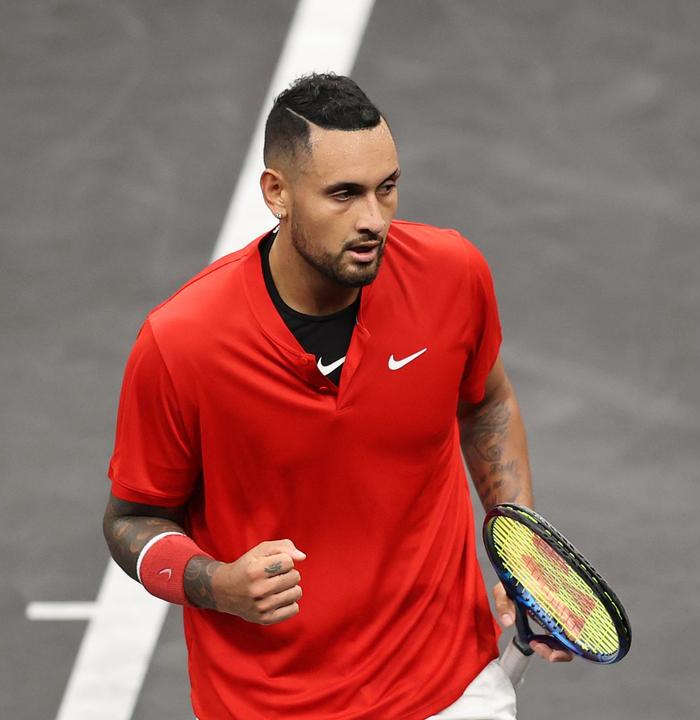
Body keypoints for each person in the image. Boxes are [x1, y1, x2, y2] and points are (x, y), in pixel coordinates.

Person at [102, 72, 571, 720]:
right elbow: (131, 519)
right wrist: (216, 584)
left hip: (447, 684)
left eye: (387, 189)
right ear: (277, 192)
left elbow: (485, 402)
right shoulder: (183, 343)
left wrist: (526, 558)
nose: (373, 220)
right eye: (344, 195)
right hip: (270, 705)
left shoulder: (450, 276)